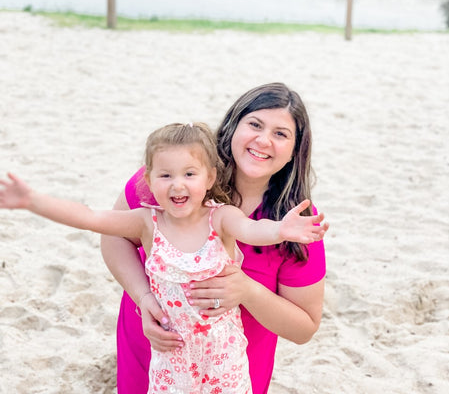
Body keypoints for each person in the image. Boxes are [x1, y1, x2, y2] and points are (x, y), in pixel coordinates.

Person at [0, 121, 327, 394]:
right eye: (165, 175)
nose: (177, 185)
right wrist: (32, 201)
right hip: (172, 363)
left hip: (223, 359)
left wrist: (281, 231)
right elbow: (89, 216)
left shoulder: (220, 218)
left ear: (209, 178)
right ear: (149, 180)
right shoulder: (146, 222)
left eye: (189, 174)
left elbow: (255, 230)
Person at [101, 83, 328, 394]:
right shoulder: (176, 175)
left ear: (294, 151)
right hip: (155, 346)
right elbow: (115, 238)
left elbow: (304, 328)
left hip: (229, 371)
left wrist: (248, 291)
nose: (263, 140)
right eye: (255, 124)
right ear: (234, 125)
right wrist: (144, 298)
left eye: (281, 134)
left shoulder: (296, 222)